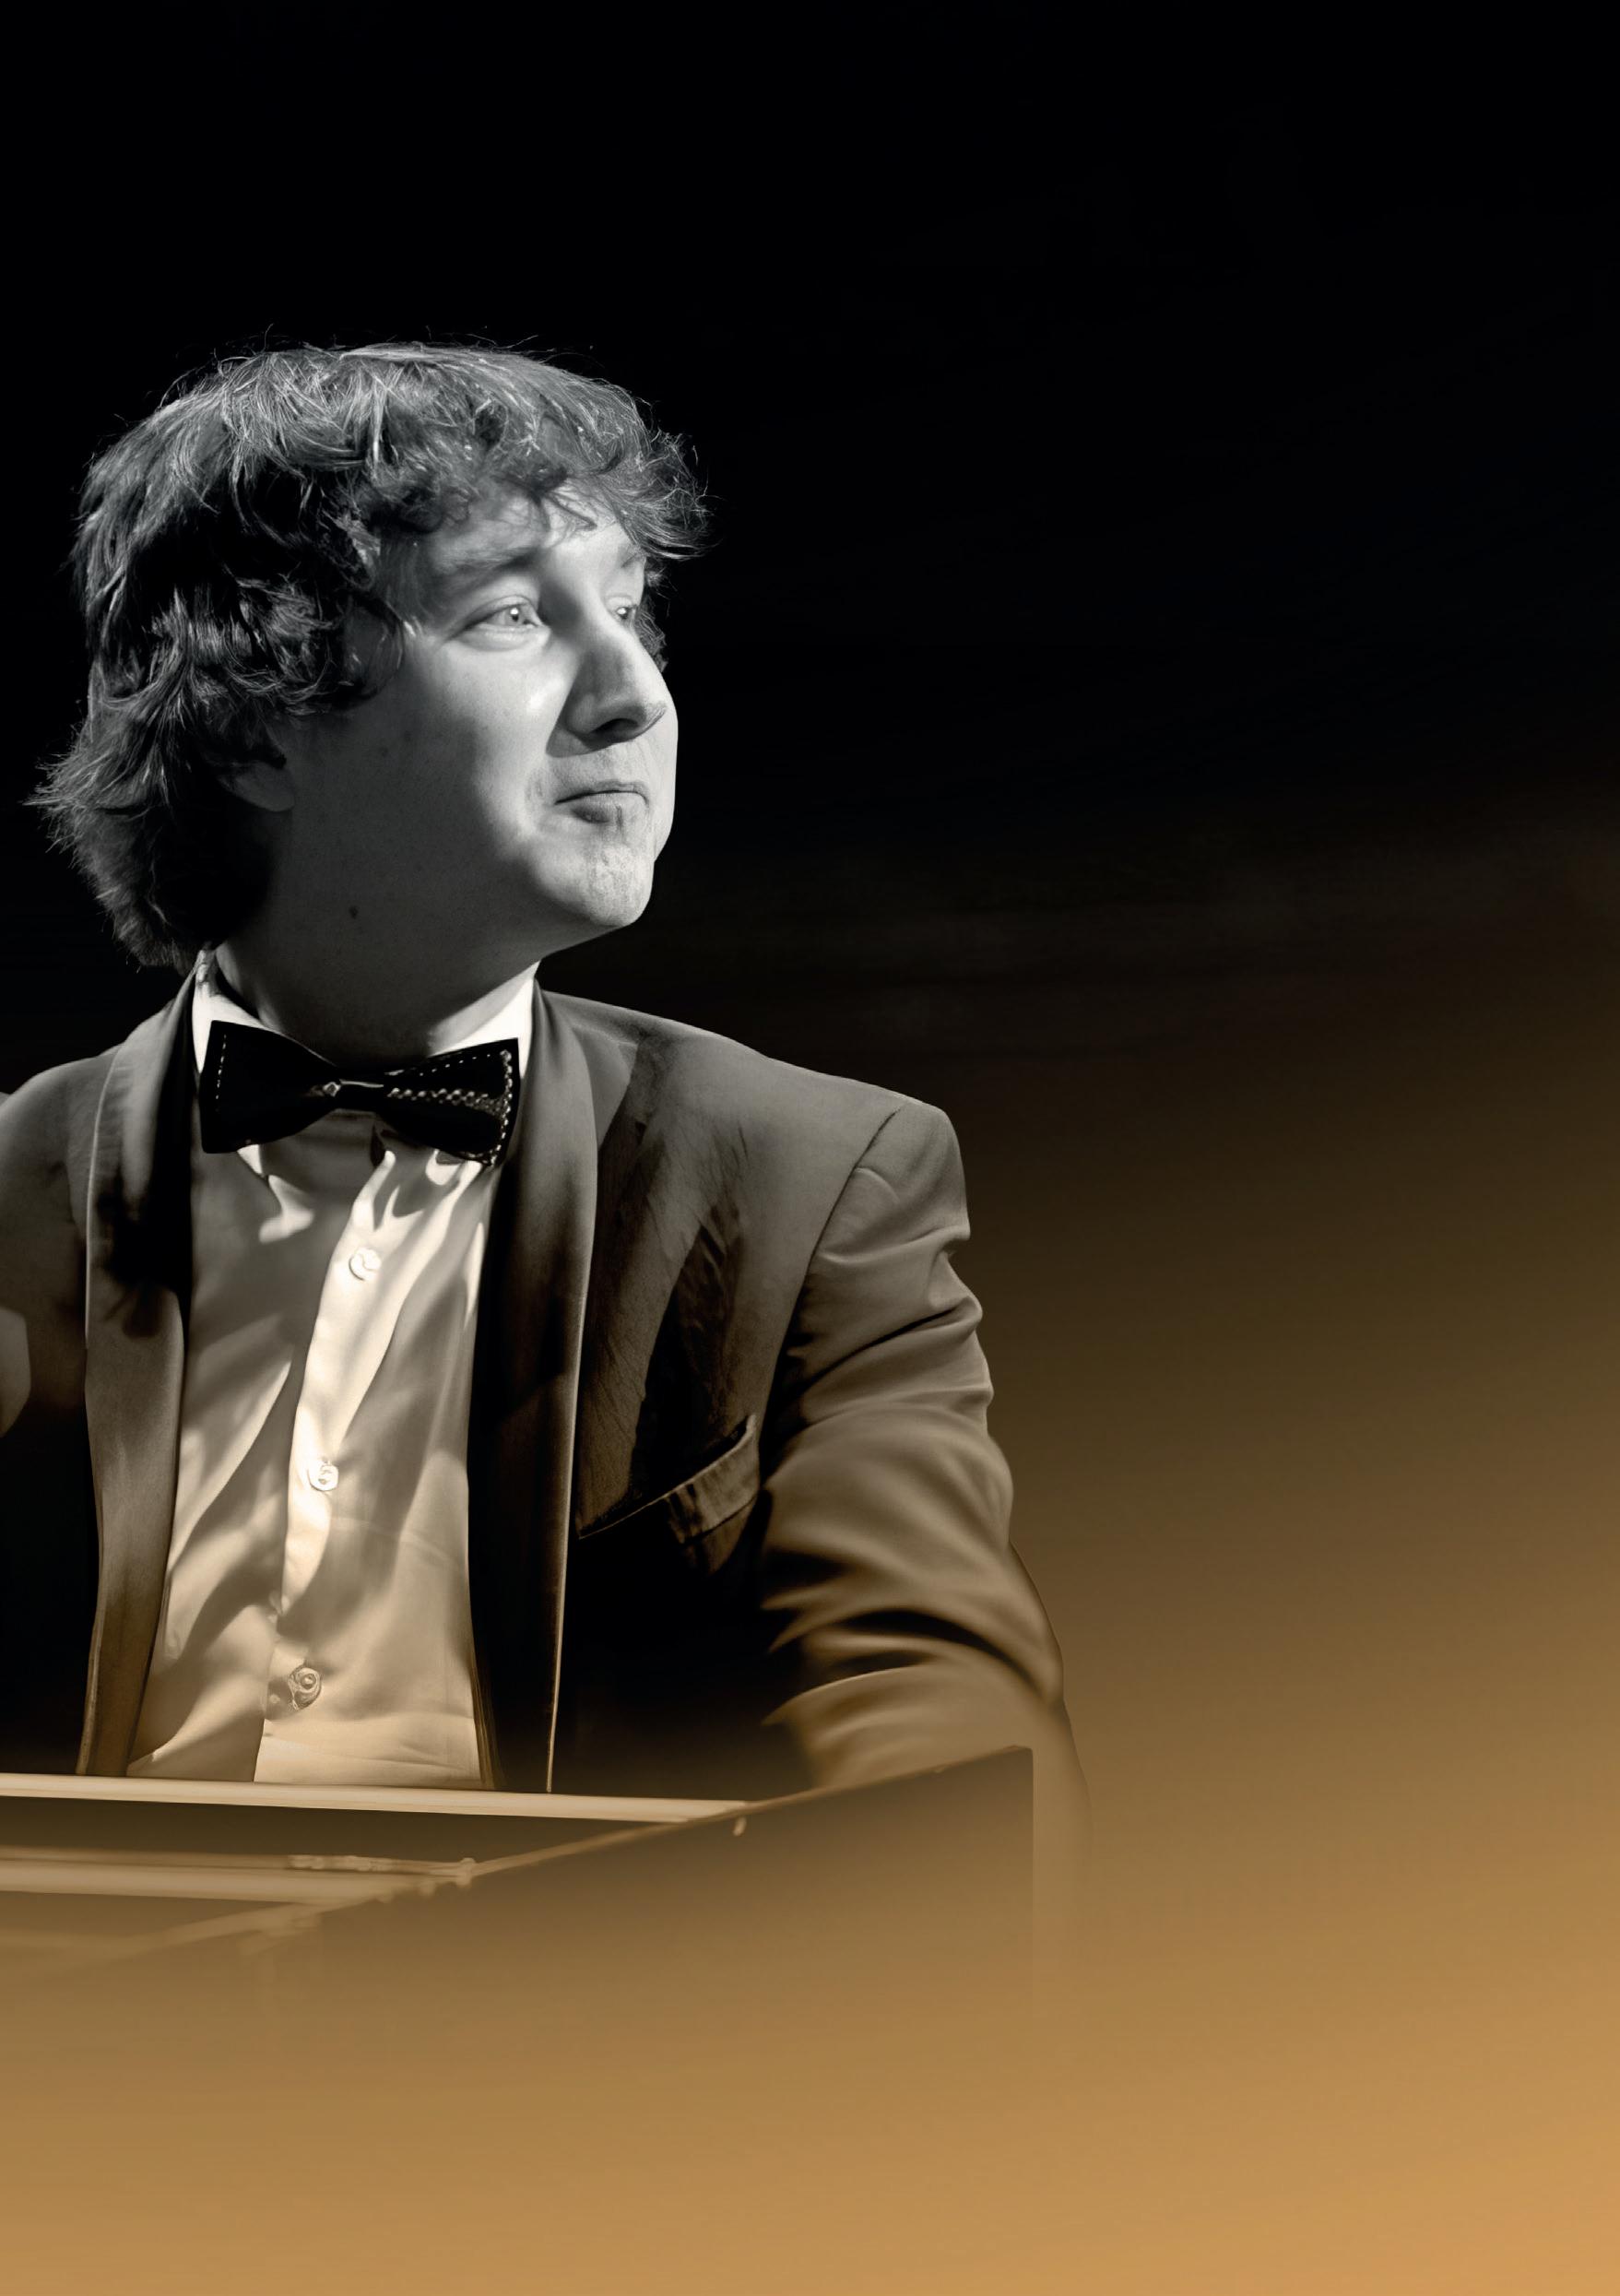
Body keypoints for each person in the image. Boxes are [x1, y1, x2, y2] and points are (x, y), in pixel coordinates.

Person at [0, 343, 1082, 1928]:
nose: (634, 692)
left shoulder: (815, 1182)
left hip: (573, 2043)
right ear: (253, 728)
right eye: (513, 615)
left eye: (631, 610)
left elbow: (939, 1725)